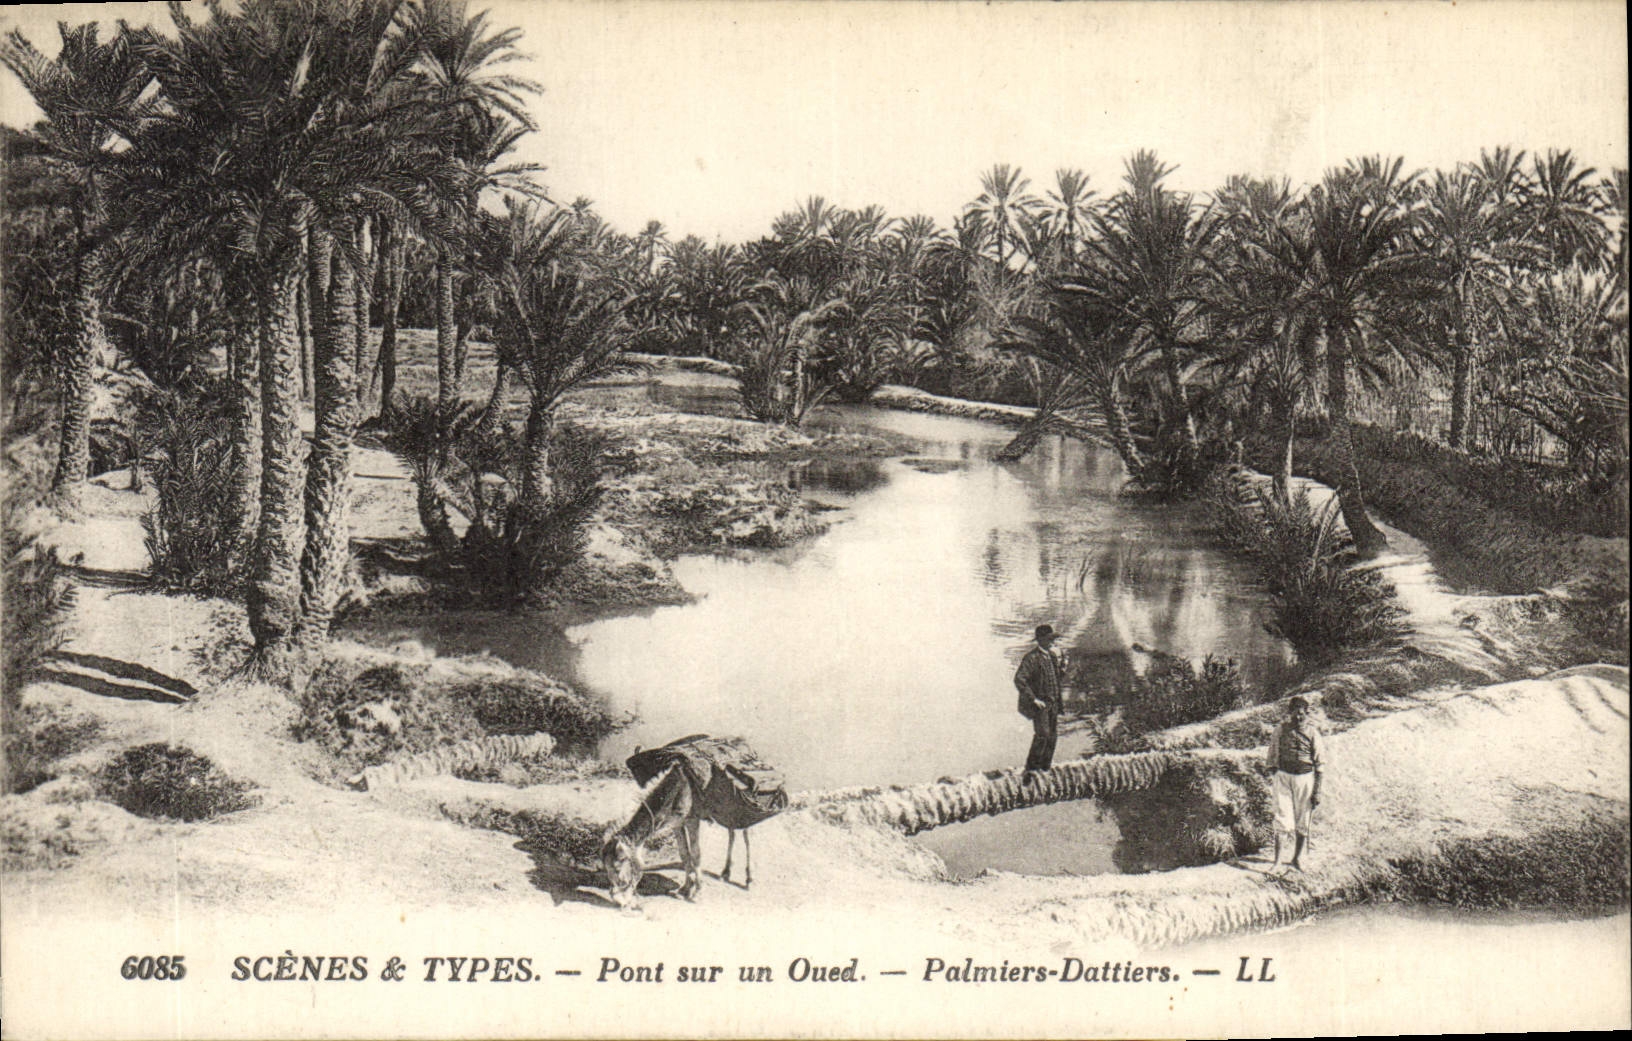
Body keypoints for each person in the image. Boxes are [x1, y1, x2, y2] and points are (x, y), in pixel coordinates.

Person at [1262, 695, 1324, 873]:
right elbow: (1272, 754)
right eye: (1296, 713)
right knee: (1281, 819)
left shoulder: (1313, 733)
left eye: (1303, 714)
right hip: (1284, 778)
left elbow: (1320, 765)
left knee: (1303, 819)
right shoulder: (1280, 730)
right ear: (1290, 713)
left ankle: (1297, 859)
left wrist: (1317, 791)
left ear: (1307, 714)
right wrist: (1277, 774)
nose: (1299, 717)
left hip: (1305, 779)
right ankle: (1278, 862)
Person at [1014, 624, 1066, 774]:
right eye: (1050, 639)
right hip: (1041, 705)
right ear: (1041, 640)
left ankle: (1045, 768)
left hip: (1054, 703)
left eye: (1053, 639)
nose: (1053, 642)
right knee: (1042, 735)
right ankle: (1031, 768)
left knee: (1052, 736)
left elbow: (1056, 679)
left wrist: (1063, 668)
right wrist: (1033, 699)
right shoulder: (1031, 658)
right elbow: (1019, 680)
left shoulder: (1053, 656)